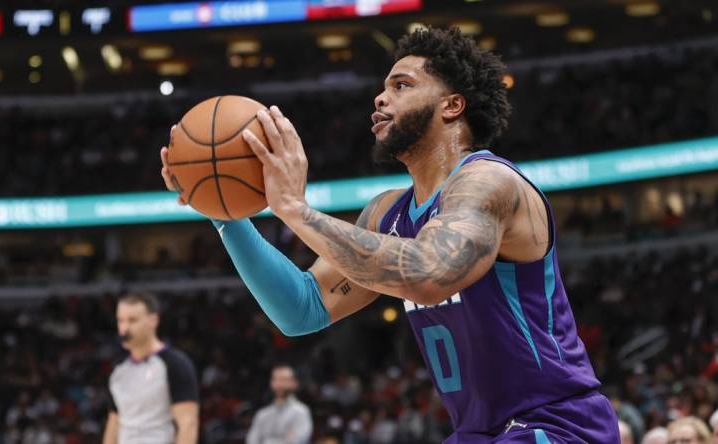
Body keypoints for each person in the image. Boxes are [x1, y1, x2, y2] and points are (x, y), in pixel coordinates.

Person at [160, 26, 619, 443]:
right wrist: (224, 214)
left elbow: (427, 272)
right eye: (382, 88)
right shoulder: (385, 213)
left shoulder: (489, 182)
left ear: (452, 105)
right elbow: (301, 309)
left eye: (402, 86)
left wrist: (295, 210)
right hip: (479, 434)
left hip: (556, 426)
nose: (380, 99)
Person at [103, 292, 200, 444]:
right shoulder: (118, 370)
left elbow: (188, 424)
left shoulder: (175, 364)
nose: (125, 328)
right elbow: (114, 423)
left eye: (132, 320)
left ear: (153, 320)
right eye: (120, 321)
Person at [247, 365, 312, 444]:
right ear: (271, 383)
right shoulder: (262, 414)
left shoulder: (301, 412)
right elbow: (252, 441)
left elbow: (298, 441)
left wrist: (266, 441)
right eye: (276, 379)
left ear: (294, 383)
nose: (280, 384)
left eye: (284, 380)